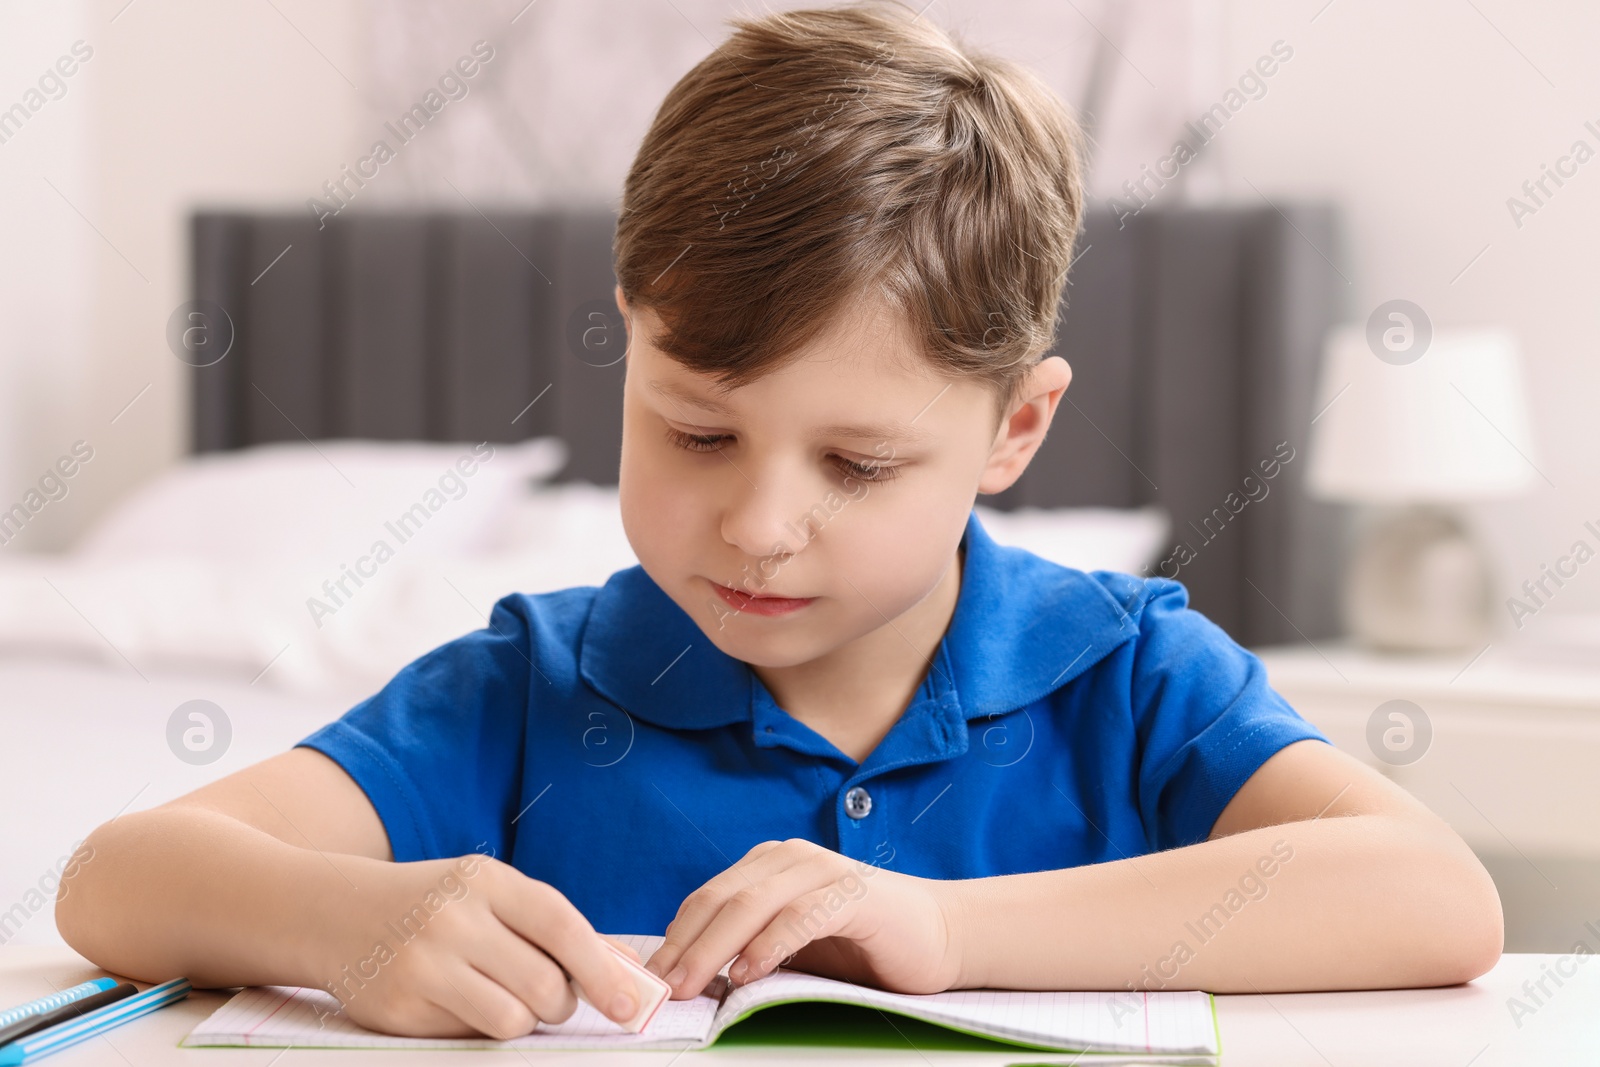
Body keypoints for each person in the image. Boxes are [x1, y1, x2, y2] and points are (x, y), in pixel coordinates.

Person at [56, 0, 1503, 1040]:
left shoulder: (1128, 677)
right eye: (696, 432)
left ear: (1015, 430)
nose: (756, 526)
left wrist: (939, 932)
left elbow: (1435, 900)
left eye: (858, 466)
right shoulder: (523, 691)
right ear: (628, 346)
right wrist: (347, 925)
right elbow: (116, 877)